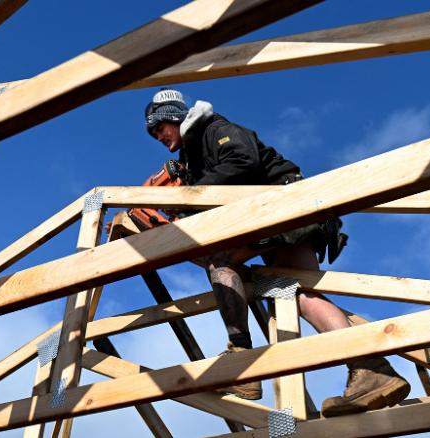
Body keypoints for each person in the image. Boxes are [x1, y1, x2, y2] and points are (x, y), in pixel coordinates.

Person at [143, 88, 410, 417]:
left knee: (224, 262)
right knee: (295, 291)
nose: (157, 136)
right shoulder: (193, 156)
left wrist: (189, 199)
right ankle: (371, 368)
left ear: (176, 118)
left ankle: (241, 360)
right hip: (284, 217)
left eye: (159, 127)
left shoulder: (214, 130)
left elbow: (243, 160)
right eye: (153, 132)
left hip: (287, 210)